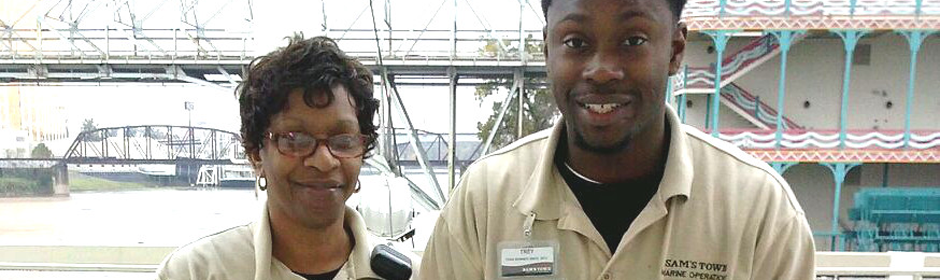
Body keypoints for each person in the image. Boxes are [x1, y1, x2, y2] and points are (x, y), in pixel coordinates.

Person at [419, 0, 815, 279]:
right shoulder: (484, 199)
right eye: (576, 42)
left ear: (676, 49)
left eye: (633, 41)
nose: (602, 71)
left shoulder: (759, 210)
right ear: (547, 49)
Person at [157, 35, 417, 280]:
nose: (324, 161)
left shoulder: (416, 274)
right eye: (295, 139)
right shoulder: (195, 273)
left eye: (343, 141)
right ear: (254, 153)